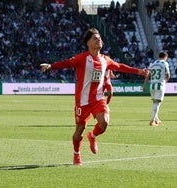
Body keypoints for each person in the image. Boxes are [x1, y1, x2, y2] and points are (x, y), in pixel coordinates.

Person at [40, 28, 149, 166]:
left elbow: (120, 66)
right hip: (83, 101)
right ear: (88, 43)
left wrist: (139, 71)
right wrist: (50, 66)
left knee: (104, 123)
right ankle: (76, 154)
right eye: (95, 38)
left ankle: (93, 136)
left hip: (98, 98)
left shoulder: (105, 60)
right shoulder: (82, 58)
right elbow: (66, 63)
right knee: (79, 131)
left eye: (99, 38)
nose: (99, 40)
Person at [143, 51, 170, 126]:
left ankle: (156, 118)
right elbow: (168, 75)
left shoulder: (153, 63)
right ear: (165, 57)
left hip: (152, 85)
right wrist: (165, 83)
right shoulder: (165, 63)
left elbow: (147, 76)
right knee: (157, 102)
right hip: (160, 85)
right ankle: (152, 121)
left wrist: (144, 85)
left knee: (155, 102)